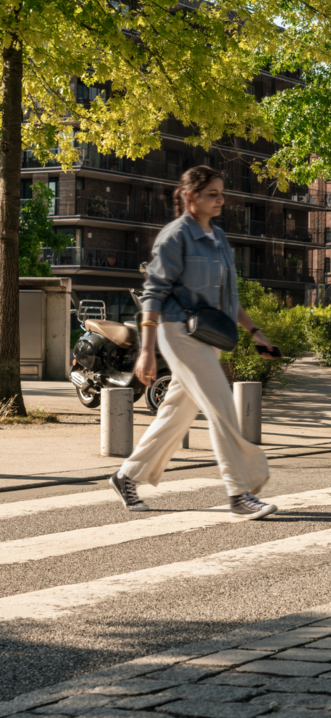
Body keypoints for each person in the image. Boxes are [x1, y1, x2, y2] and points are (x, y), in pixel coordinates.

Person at [109, 165, 279, 520]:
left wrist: (255, 332)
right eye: (213, 194)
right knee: (222, 406)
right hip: (177, 332)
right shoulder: (175, 236)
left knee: (176, 414)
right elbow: (153, 293)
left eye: (221, 193)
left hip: (208, 334)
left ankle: (127, 476)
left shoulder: (217, 237)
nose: (221, 199)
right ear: (191, 197)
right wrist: (146, 350)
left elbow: (229, 297)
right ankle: (239, 491)